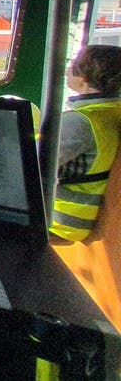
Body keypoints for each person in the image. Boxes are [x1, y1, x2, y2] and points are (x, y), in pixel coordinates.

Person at [52, 44, 121, 242]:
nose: (67, 70)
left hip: (58, 219)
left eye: (73, 64)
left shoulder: (81, 121)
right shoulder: (111, 111)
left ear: (84, 77)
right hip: (77, 217)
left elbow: (30, 164)